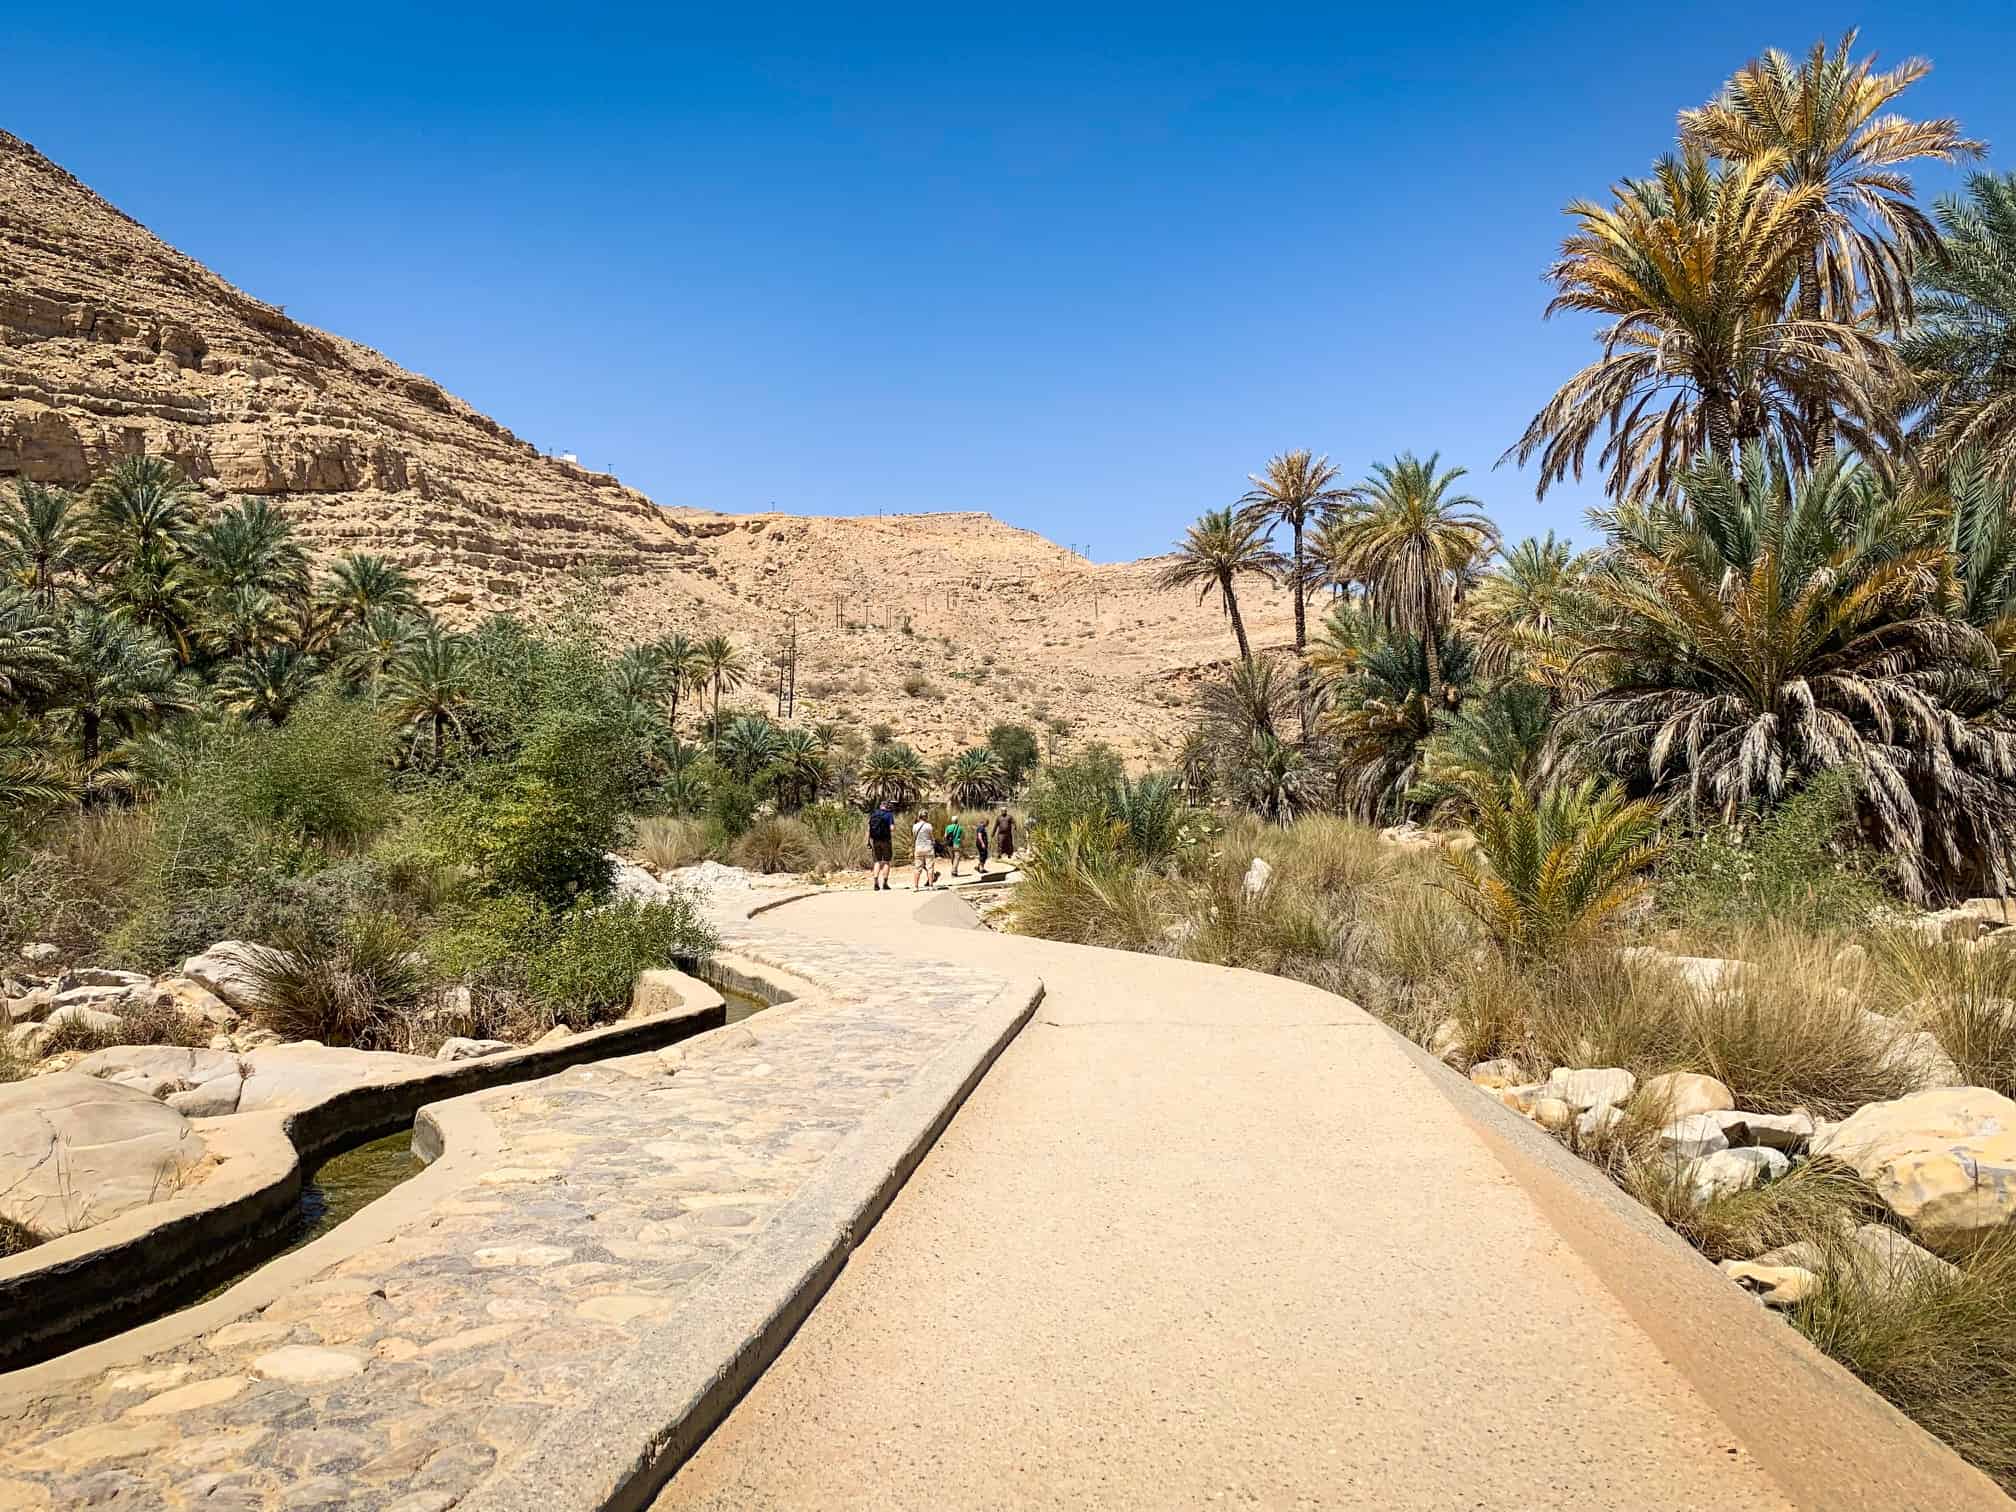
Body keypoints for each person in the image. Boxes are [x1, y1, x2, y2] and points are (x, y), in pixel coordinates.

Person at [867, 801, 895, 891]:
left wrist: (868, 841)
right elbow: (892, 828)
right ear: (887, 807)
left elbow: (869, 829)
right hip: (886, 840)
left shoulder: (874, 814)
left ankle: (875, 882)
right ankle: (885, 883)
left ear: (880, 806)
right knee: (886, 861)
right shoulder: (889, 815)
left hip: (875, 840)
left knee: (877, 861)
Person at [911, 811, 937, 891]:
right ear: (926, 817)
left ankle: (916, 886)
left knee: (917, 868)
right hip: (928, 848)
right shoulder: (929, 826)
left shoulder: (915, 826)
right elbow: (931, 837)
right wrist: (933, 842)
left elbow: (914, 836)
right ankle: (930, 885)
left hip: (918, 848)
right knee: (930, 867)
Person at [944, 813, 965, 878]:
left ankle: (955, 871)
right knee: (957, 857)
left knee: (953, 858)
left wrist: (946, 842)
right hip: (957, 843)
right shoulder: (960, 828)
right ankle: (953, 871)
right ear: (957, 821)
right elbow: (962, 837)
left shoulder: (948, 827)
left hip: (949, 844)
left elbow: (945, 836)